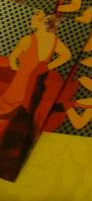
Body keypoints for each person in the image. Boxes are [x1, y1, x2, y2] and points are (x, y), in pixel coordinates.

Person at [0, 11, 71, 180]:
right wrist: (47, 66)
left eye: (37, 18)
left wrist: (16, 66)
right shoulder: (53, 40)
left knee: (10, 109)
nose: (33, 20)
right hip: (35, 81)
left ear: (42, 23)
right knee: (21, 113)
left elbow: (13, 58)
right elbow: (67, 55)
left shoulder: (29, 39)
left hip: (25, 80)